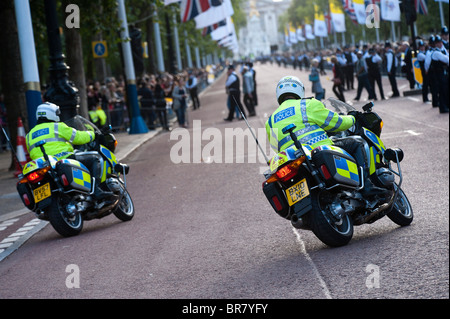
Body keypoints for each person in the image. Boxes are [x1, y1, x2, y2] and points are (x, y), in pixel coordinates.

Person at [266, 76, 384, 197]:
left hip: (294, 161)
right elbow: (338, 123)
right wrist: (353, 117)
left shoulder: (270, 121)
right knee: (357, 143)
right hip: (319, 151)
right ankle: (367, 186)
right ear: (300, 90)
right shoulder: (307, 104)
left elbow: (277, 147)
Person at [26, 102, 116, 202]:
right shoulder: (57, 126)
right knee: (94, 159)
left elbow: (31, 153)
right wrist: (94, 134)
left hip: (43, 166)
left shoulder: (29, 135)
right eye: (56, 113)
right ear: (50, 113)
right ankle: (97, 190)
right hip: (64, 159)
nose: (58, 115)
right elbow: (78, 137)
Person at [425, 35, 449, 113]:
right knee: (441, 90)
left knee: (445, 89)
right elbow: (446, 59)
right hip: (439, 74)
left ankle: (446, 105)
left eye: (440, 42)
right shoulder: (436, 52)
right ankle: (443, 107)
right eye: (437, 43)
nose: (439, 44)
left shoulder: (443, 50)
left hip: (443, 73)